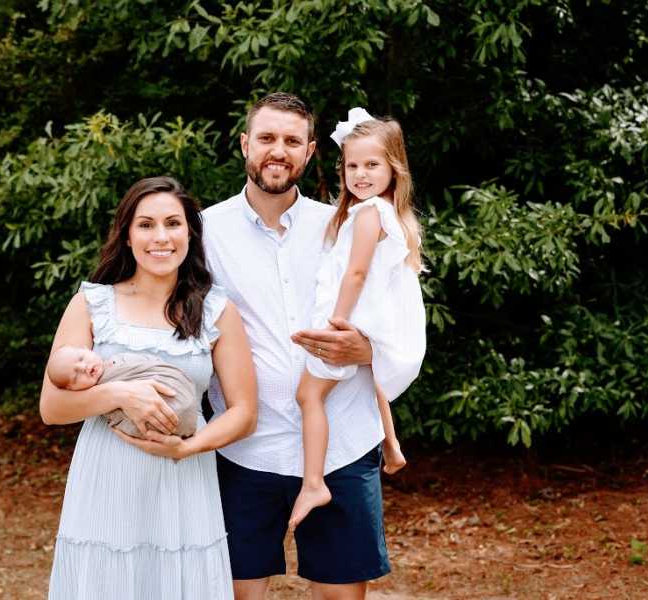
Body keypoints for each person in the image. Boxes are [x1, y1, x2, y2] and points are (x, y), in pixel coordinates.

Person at [202, 92, 425, 600]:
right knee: (237, 592)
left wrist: (369, 352)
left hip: (342, 443)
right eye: (266, 138)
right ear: (244, 145)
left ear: (307, 154)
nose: (277, 150)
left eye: (291, 141)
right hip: (244, 448)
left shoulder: (343, 225)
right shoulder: (204, 231)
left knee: (342, 595)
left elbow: (398, 309)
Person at [40, 176, 257, 600]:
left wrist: (187, 448)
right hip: (108, 474)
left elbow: (244, 411)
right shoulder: (92, 303)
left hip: (183, 476)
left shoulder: (216, 309)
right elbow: (51, 408)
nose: (161, 237)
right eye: (146, 225)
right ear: (126, 234)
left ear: (190, 233)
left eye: (173, 224)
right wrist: (120, 395)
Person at [289, 107, 426, 530]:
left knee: (308, 396)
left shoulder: (369, 214)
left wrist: (336, 322)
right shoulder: (383, 212)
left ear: (394, 168)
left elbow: (357, 272)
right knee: (372, 377)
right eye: (352, 165)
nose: (361, 174)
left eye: (372, 165)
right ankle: (391, 445)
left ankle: (313, 482)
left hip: (350, 320)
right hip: (370, 322)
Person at [46, 344, 200, 438]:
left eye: (80, 358)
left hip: (183, 407)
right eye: (76, 376)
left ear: (88, 349)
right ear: (72, 389)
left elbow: (150, 365)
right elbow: (50, 411)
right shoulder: (97, 399)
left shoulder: (119, 361)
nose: (83, 367)